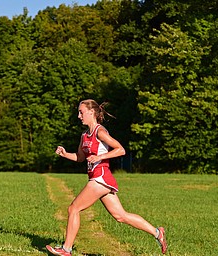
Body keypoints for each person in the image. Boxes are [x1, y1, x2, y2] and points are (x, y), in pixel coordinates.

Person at [46, 99, 167, 256]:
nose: (78, 116)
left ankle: (66, 249)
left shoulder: (100, 132)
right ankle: (157, 233)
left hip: (100, 178)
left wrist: (100, 157)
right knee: (121, 216)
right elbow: (80, 157)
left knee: (73, 208)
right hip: (99, 179)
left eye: (81, 112)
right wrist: (64, 154)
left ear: (91, 112)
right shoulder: (84, 136)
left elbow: (120, 150)